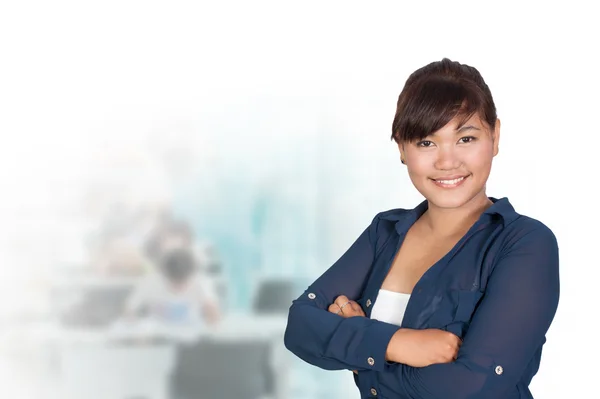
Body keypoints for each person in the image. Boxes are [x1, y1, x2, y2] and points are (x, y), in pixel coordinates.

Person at [283, 58, 559, 399]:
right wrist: (400, 344)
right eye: (426, 143)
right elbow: (299, 326)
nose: (446, 162)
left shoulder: (524, 244)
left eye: (466, 138)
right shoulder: (384, 233)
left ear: (495, 136)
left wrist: (361, 352)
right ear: (402, 148)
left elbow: (473, 385)